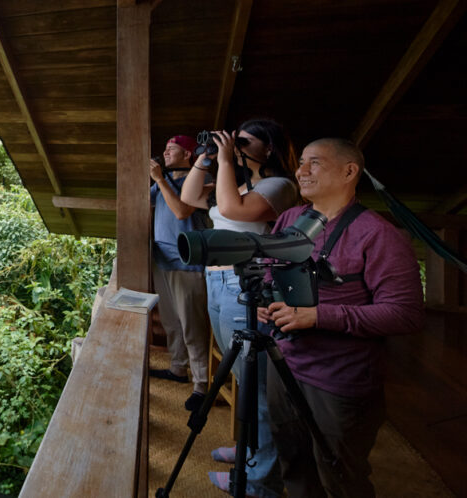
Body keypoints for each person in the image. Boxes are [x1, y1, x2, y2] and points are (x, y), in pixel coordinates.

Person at [260, 138, 425, 498]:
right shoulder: (289, 218)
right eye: (301, 163)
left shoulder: (379, 235)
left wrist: (319, 316)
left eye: (313, 163)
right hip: (283, 364)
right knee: (294, 462)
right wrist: (269, 300)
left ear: (350, 171)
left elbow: (405, 314)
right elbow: (273, 270)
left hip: (339, 378)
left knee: (340, 474)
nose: (300, 172)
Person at [179, 118, 300, 498]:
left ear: (269, 149)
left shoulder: (278, 186)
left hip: (245, 285)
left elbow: (232, 208)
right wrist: (205, 159)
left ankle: (260, 480)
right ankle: (251, 450)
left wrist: (228, 160)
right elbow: (189, 198)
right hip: (218, 281)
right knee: (240, 372)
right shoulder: (241, 182)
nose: (236, 145)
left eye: (245, 141)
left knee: (259, 385)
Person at [149, 135, 211, 412]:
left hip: (189, 263)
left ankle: (202, 385)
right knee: (172, 321)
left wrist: (160, 179)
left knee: (192, 325)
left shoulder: (199, 181)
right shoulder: (162, 182)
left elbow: (181, 210)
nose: (165, 152)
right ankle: (177, 368)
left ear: (188, 153)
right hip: (162, 260)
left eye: (170, 149)